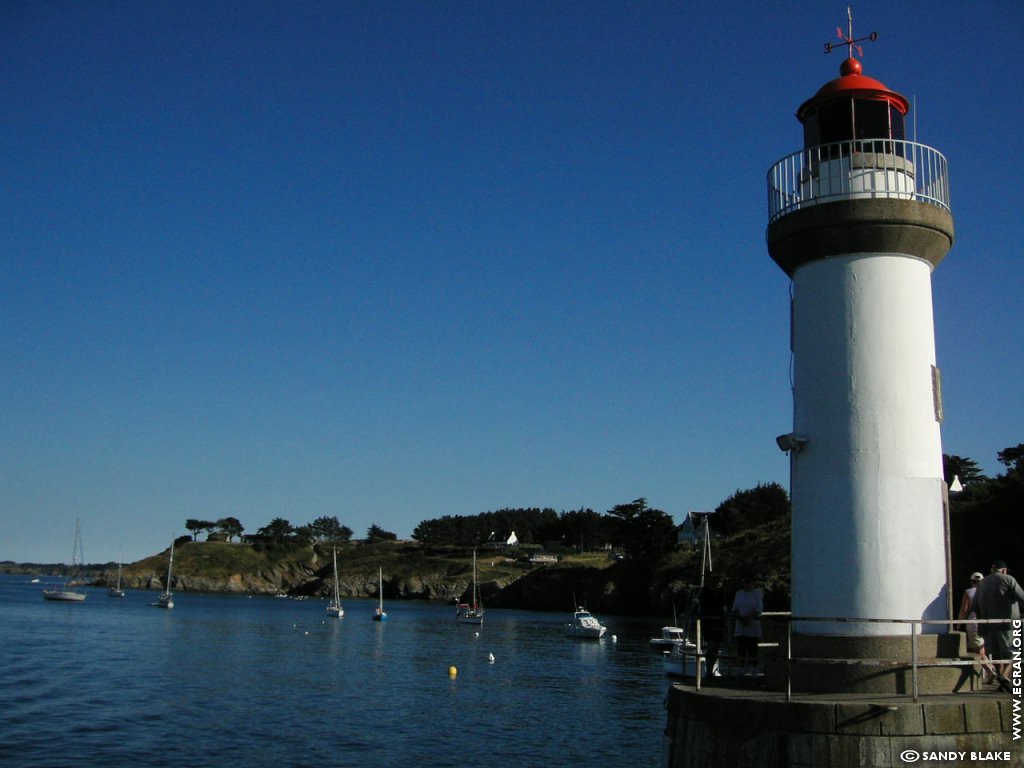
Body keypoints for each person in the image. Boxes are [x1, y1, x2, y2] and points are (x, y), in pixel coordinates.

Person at [974, 560, 1024, 684]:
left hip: (989, 624)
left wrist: (981, 625)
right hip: (1008, 624)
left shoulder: (981, 583)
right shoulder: (1008, 579)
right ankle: (1005, 675)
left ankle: (1001, 681)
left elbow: (975, 606)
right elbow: (1022, 597)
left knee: (996, 654)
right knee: (1014, 652)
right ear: (1004, 570)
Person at [957, 571, 993, 682]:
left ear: (971, 581)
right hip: (987, 623)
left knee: (979, 651)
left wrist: (958, 624)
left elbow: (965, 610)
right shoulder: (989, 592)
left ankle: (991, 672)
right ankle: (990, 672)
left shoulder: (968, 592)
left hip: (974, 623)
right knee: (983, 649)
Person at [693, 577, 727, 676]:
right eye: (713, 579)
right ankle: (708, 671)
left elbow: (724, 605)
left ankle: (711, 670)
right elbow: (696, 602)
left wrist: (725, 616)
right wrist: (694, 611)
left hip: (719, 621)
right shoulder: (703, 590)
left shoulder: (721, 591)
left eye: (717, 580)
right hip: (707, 621)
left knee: (716, 647)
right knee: (711, 645)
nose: (716, 582)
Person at [731, 574, 763, 673]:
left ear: (753, 583)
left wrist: (749, 618)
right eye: (745, 582)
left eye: (749, 581)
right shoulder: (739, 593)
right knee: (741, 646)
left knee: (753, 647)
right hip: (740, 624)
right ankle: (741, 667)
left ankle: (753, 668)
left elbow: (759, 609)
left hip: (753, 624)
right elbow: (734, 608)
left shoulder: (757, 594)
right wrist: (741, 618)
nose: (746, 584)